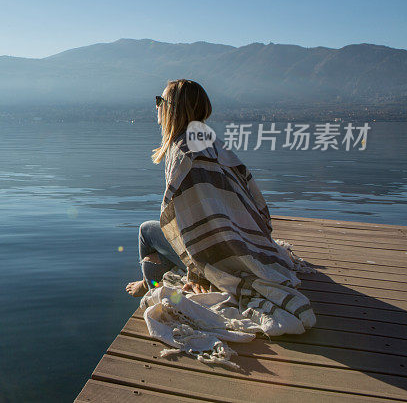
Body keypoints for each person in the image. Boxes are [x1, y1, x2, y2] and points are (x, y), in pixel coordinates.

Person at [125, 80, 314, 335]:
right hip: (236, 237)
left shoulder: (182, 153)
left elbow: (185, 223)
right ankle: (154, 274)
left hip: (213, 250)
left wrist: (196, 272)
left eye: (160, 101)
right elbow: (248, 194)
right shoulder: (209, 141)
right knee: (153, 258)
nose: (156, 106)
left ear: (173, 109)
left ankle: (152, 283)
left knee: (146, 232)